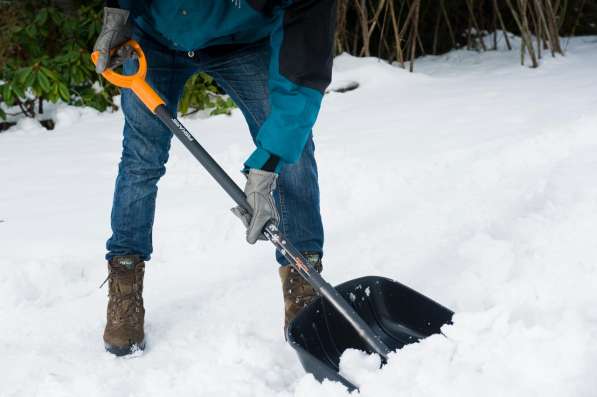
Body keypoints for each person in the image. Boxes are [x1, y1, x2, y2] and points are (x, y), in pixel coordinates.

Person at [93, 0, 337, 356]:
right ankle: (125, 281)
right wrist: (118, 15)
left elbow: (301, 71)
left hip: (243, 41)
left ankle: (304, 282)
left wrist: (268, 161)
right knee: (140, 160)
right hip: (157, 40)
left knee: (293, 157)